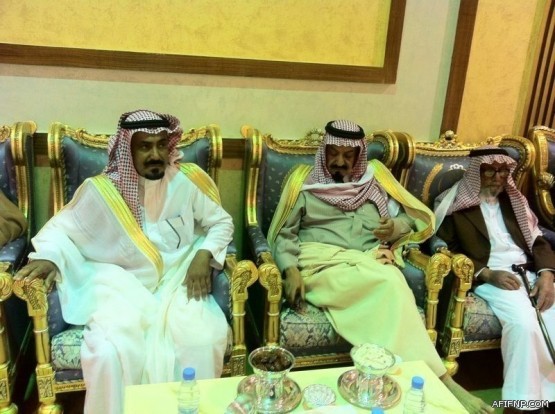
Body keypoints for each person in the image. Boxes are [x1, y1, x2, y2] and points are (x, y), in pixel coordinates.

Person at [15, 109, 233, 414]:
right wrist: (51, 258)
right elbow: (59, 231)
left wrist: (203, 254)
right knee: (109, 351)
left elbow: (221, 222)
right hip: (119, 287)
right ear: (127, 149)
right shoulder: (102, 192)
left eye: (161, 145)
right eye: (145, 146)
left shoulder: (184, 182)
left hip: (177, 282)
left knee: (203, 338)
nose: (155, 154)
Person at [270, 119, 493, 414]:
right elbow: (283, 234)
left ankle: (402, 378)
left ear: (358, 155)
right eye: (333, 153)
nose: (340, 162)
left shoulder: (374, 181)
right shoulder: (304, 183)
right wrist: (290, 270)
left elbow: (411, 218)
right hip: (321, 264)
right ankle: (441, 381)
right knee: (389, 281)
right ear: (324, 152)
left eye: (348, 155)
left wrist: (394, 227)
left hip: (367, 260)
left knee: (393, 281)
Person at [435, 146, 555, 414]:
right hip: (492, 277)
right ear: (476, 172)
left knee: (552, 316)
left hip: (530, 272)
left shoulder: (514, 201)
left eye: (503, 171)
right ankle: (521, 404)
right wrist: (487, 273)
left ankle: (548, 397)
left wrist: (547, 275)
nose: (498, 177)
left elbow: (538, 240)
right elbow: (446, 249)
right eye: (490, 170)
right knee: (524, 323)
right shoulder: (454, 205)